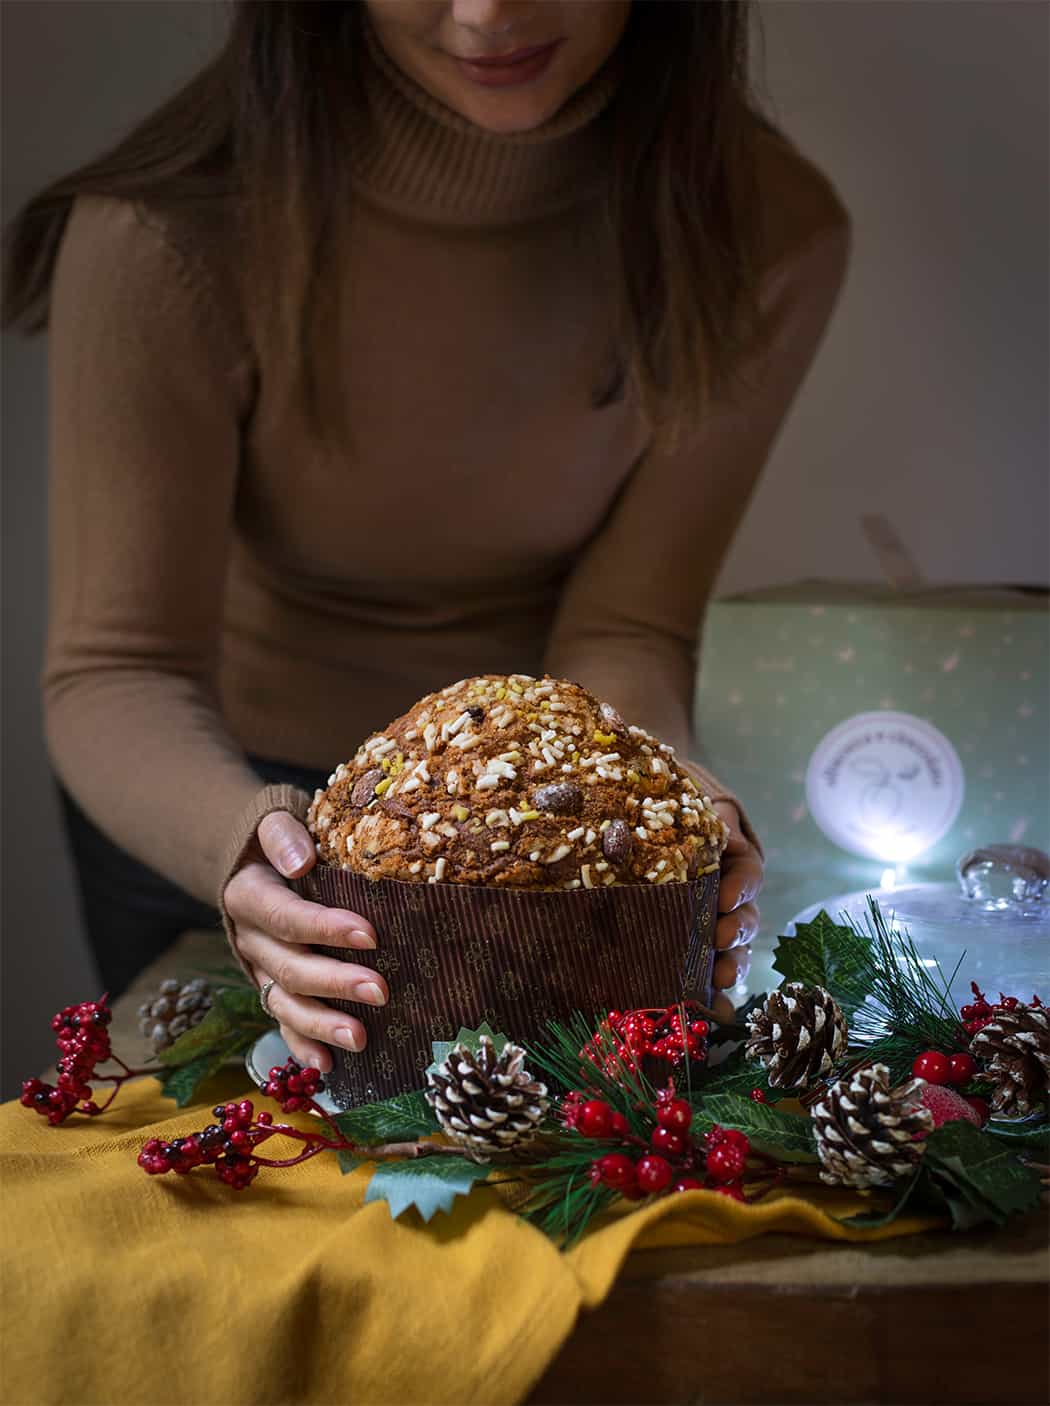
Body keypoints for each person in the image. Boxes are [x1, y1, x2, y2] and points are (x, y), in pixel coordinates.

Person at [4, 0, 849, 1072]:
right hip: (221, 799)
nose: (486, 12)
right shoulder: (162, 233)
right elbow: (117, 666)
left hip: (554, 829)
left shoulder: (768, 228)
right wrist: (246, 855)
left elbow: (628, 623)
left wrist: (665, 788)